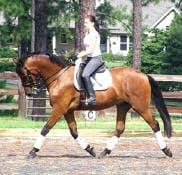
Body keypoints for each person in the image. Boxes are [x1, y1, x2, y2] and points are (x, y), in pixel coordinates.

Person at [77, 15, 104, 105]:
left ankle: (92, 97)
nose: (84, 24)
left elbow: (91, 50)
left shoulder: (94, 34)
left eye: (86, 23)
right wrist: (79, 55)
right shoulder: (87, 33)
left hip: (96, 58)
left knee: (85, 74)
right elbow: (87, 49)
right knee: (77, 70)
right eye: (84, 22)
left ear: (92, 23)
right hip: (89, 58)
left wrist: (81, 55)